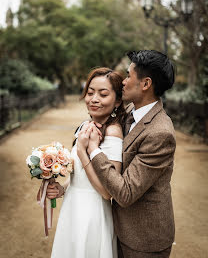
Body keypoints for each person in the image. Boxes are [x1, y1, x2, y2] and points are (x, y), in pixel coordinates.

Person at [79, 50, 176, 258]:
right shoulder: (131, 111)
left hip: (144, 240)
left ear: (146, 84)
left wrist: (93, 150)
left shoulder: (160, 133)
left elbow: (125, 193)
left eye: (129, 75)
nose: (123, 81)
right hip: (117, 229)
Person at [46, 67, 125, 258]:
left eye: (103, 94)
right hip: (72, 207)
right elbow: (79, 176)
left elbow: (107, 192)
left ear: (117, 101)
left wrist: (83, 151)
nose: (94, 99)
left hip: (92, 213)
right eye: (90, 93)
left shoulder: (112, 133)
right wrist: (63, 188)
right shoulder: (84, 125)